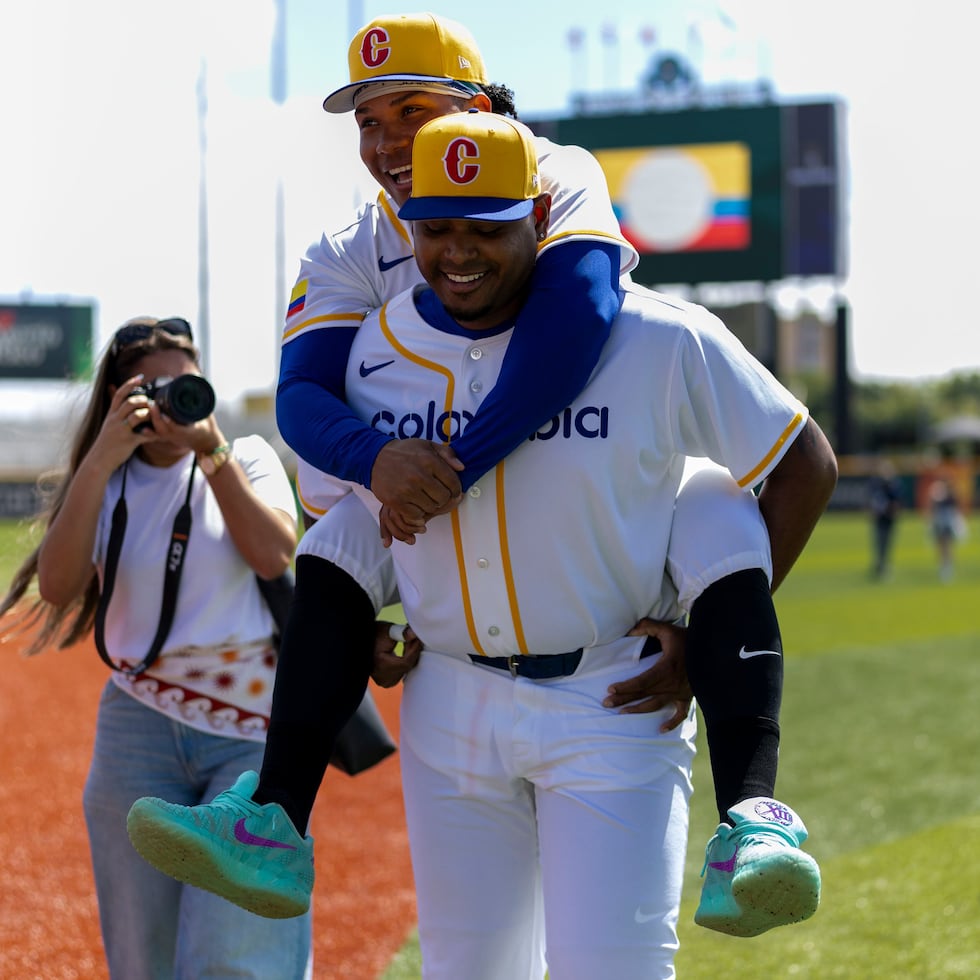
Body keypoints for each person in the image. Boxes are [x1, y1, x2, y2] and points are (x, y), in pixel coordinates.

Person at [126, 11, 833, 942]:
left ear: (481, 112)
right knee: (340, 538)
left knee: (710, 506)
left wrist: (451, 462)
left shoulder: (561, 182)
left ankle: (752, 815)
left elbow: (574, 315)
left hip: (603, 649)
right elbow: (305, 402)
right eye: (367, 122)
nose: (387, 144)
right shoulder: (355, 269)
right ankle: (275, 815)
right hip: (454, 678)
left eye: (410, 111)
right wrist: (381, 480)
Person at [261, 112, 834, 977]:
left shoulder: (657, 335)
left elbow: (804, 464)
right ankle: (269, 812)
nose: (459, 252)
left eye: (487, 228)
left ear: (539, 212)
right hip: (449, 700)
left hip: (609, 696)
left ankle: (753, 813)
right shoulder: (375, 352)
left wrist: (701, 645)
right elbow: (347, 525)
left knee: (614, 967)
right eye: (436, 229)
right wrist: (363, 631)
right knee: (467, 972)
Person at [0, 317, 312, 979]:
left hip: (249, 731)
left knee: (235, 951)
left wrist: (212, 453)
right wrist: (99, 459)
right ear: (118, 397)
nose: (173, 400)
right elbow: (55, 586)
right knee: (143, 956)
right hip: (136, 731)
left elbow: (273, 554)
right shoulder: (107, 479)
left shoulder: (246, 454)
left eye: (184, 383)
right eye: (152, 388)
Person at [868, 459, 901, 578]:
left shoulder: (893, 484)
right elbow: (873, 501)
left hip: (889, 519)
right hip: (880, 519)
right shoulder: (877, 483)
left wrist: (893, 510)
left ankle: (884, 565)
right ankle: (879, 565)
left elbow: (897, 503)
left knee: (887, 543)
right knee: (879, 542)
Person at [929, 476, 962, 580]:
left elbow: (954, 506)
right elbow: (933, 509)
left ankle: (948, 566)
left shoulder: (951, 495)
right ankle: (942, 565)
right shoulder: (937, 495)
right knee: (940, 546)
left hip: (947, 523)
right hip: (939, 523)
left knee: (947, 545)